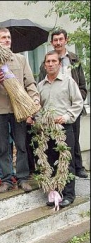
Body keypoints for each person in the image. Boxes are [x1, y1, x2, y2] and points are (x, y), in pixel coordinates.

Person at [0, 27, 41, 194]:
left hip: (19, 110)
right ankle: (7, 180)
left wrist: (34, 100)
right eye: (3, 37)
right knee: (2, 147)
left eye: (9, 37)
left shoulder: (20, 60)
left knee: (21, 145)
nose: (7, 40)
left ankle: (23, 178)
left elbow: (30, 83)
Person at [36, 50, 84, 208]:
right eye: (48, 62)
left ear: (59, 63)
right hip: (47, 130)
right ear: (44, 65)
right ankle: (55, 193)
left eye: (53, 61)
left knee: (66, 161)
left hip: (64, 128)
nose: (50, 64)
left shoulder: (68, 82)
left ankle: (69, 195)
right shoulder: (40, 86)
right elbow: (38, 107)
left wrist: (66, 117)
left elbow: (78, 103)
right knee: (50, 161)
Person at [38, 29, 88, 179]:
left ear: (66, 40)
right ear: (52, 42)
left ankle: (77, 167)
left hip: (72, 106)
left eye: (61, 39)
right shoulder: (46, 63)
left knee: (73, 139)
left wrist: (75, 104)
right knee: (56, 144)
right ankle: (58, 172)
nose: (58, 42)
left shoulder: (74, 59)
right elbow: (42, 85)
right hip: (54, 110)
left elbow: (82, 86)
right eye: (55, 40)